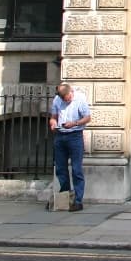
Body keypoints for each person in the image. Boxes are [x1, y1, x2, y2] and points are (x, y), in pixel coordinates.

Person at [50, 82, 91, 210]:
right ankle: (65, 197)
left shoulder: (80, 98)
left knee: (76, 169)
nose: (66, 101)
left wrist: (75, 123)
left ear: (71, 92)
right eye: (64, 99)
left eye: (68, 98)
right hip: (60, 135)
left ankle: (78, 201)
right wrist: (53, 123)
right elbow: (53, 117)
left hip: (75, 136)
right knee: (60, 168)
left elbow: (87, 118)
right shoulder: (57, 100)